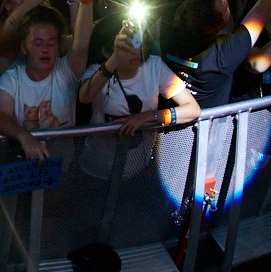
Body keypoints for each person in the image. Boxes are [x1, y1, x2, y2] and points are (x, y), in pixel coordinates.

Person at [78, 19, 200, 180]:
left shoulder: (154, 67)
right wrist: (115, 58)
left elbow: (193, 109)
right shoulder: (97, 72)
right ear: (106, 51)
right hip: (97, 168)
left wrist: (149, 117)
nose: (135, 51)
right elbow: (85, 97)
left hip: (138, 169)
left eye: (137, 43)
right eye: (126, 47)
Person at [0, 0, 93, 161]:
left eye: (51, 43)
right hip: (20, 167)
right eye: (38, 44)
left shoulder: (65, 72)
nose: (46, 50)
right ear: (24, 47)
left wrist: (86, 0)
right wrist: (24, 136)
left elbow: (81, 45)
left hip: (61, 168)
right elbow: (2, 117)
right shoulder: (12, 78)